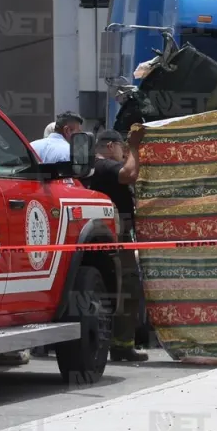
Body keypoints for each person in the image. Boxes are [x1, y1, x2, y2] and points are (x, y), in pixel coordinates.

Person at [82, 127, 148, 362]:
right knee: (128, 285)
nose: (123, 154)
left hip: (104, 235)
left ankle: (120, 344)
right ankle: (121, 345)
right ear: (111, 147)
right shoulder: (104, 165)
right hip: (116, 236)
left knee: (118, 288)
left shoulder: (91, 167)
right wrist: (135, 147)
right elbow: (129, 174)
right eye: (122, 148)